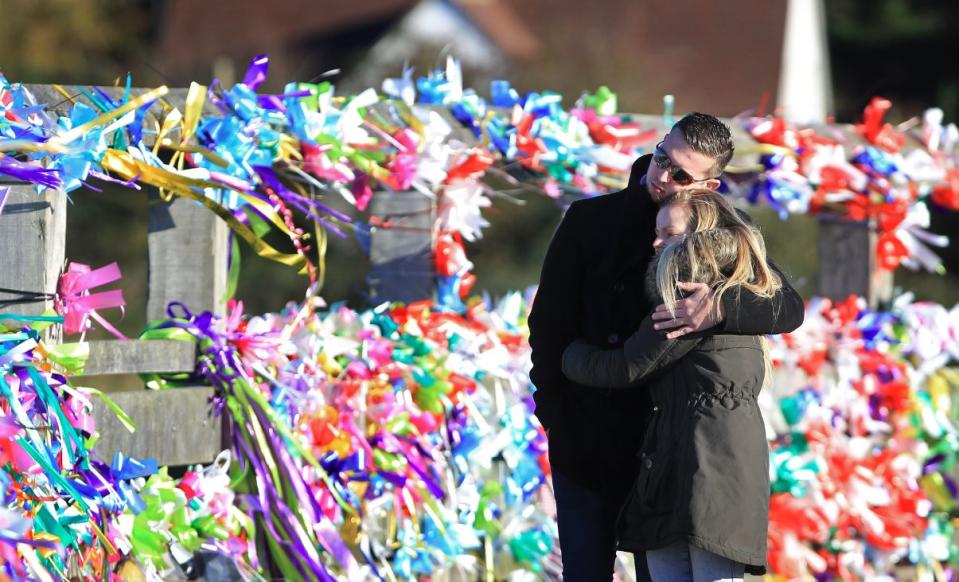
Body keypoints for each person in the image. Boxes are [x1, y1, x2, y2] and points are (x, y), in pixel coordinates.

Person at [527, 112, 804, 581]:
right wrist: (553, 412)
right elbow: (548, 326)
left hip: (658, 449)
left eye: (681, 174)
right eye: (661, 159)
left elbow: (786, 305)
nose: (663, 176)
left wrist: (718, 306)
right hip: (585, 438)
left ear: (709, 186)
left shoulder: (719, 237)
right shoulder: (588, 220)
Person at [562, 189, 778, 581]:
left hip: (706, 465)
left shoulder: (687, 297)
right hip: (699, 461)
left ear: (701, 237)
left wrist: (567, 353)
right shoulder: (734, 292)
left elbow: (626, 367)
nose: (656, 242)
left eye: (668, 233)